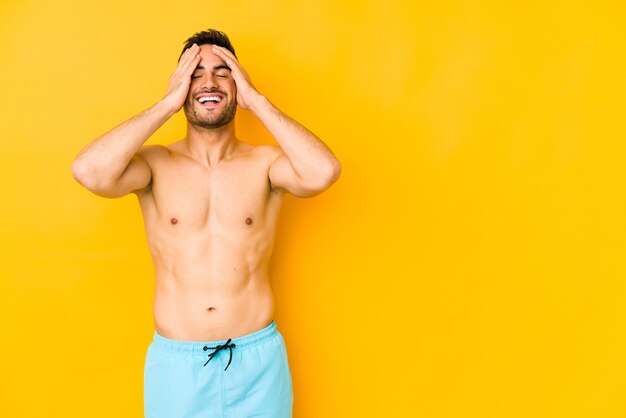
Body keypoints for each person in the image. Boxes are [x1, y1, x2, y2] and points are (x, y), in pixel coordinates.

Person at [71, 29, 341, 418]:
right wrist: (166, 104)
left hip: (257, 364)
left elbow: (324, 171)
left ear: (239, 83)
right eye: (195, 73)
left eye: (222, 72)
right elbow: (88, 171)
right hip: (178, 368)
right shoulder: (154, 166)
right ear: (181, 84)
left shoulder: (264, 165)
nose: (209, 82)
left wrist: (259, 102)